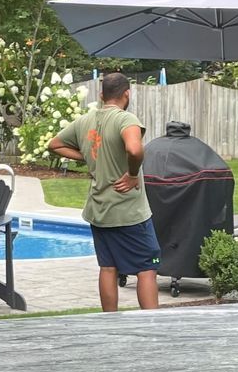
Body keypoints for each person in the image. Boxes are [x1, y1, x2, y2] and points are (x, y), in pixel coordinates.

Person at [49, 72, 161, 311]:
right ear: (126, 94)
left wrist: (90, 160)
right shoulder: (126, 119)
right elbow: (135, 149)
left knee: (108, 267)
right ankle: (155, 326)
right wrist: (132, 175)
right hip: (129, 211)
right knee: (147, 268)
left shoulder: (84, 121)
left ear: (101, 95)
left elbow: (54, 145)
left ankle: (108, 322)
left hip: (99, 210)